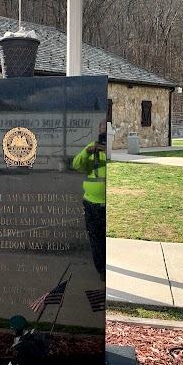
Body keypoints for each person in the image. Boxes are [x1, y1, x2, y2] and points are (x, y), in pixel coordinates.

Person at [72, 120, 106, 280]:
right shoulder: (92, 148)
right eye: (102, 131)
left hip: (109, 205)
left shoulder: (118, 149)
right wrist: (88, 152)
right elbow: (76, 165)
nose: (104, 134)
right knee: (96, 239)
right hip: (92, 203)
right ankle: (102, 270)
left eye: (107, 131)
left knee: (107, 240)